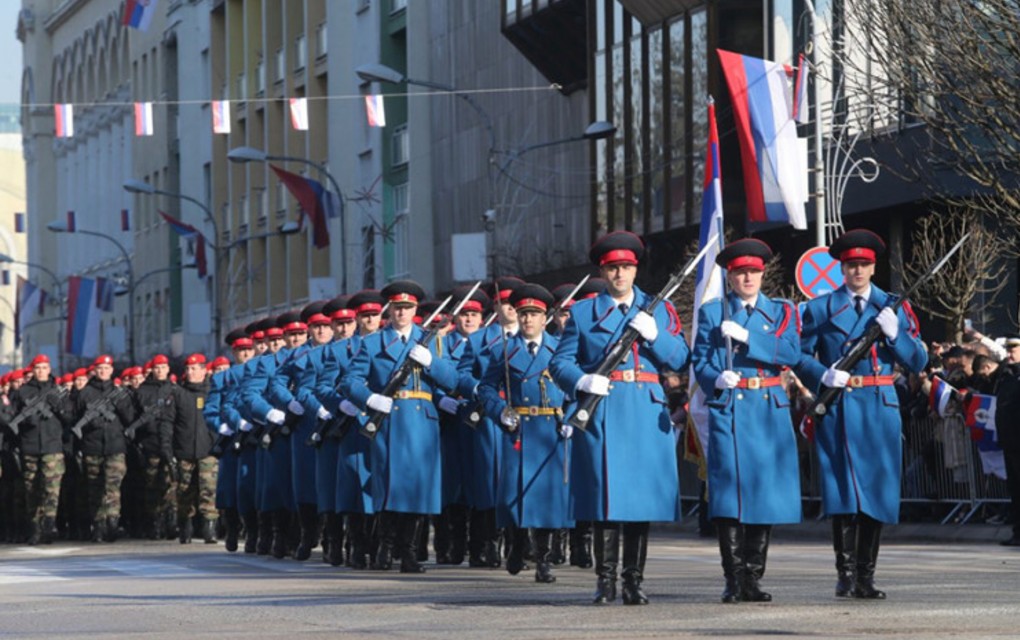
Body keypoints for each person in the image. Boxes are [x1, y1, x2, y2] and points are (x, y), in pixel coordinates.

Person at [550, 230, 689, 605]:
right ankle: (605, 581)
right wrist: (583, 379)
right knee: (605, 501)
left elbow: (679, 359)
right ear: (603, 270)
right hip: (604, 409)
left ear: (635, 269)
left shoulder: (658, 309)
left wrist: (656, 335)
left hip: (645, 408)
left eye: (626, 267)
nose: (620, 274)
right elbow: (559, 362)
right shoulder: (582, 312)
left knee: (639, 503)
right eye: (613, 268)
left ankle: (633, 581)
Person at [797, 229, 927, 599]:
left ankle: (866, 576)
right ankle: (846, 573)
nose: (858, 271)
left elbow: (918, 360)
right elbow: (798, 354)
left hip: (879, 406)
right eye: (852, 265)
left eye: (864, 265)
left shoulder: (893, 306)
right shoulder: (821, 308)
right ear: (841, 267)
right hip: (839, 405)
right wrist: (821, 374)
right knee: (843, 492)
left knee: (876, 491)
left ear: (874, 267)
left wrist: (896, 334)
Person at [692, 239, 802, 603]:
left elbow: (791, 353)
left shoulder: (782, 310)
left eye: (753, 271)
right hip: (731, 408)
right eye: (740, 272)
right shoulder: (712, 312)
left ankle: (753, 577)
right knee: (728, 493)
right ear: (730, 276)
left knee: (764, 493)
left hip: (768, 406)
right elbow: (701, 360)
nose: (748, 277)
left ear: (762, 273)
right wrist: (715, 380)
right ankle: (733, 577)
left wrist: (748, 337)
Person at [339, 280, 459, 573]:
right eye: (397, 308)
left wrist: (431, 362)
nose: (402, 313)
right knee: (389, 487)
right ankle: (384, 548)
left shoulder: (433, 342)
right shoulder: (372, 343)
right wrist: (371, 399)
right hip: (389, 419)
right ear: (388, 310)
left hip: (422, 422)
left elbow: (452, 381)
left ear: (415, 309)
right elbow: (349, 382)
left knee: (418, 490)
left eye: (407, 308)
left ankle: (408, 553)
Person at [479, 283, 572, 584]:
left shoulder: (559, 349)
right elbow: (486, 388)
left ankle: (543, 559)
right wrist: (499, 411)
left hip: (550, 430)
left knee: (546, 497)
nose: (528, 320)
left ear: (545, 318)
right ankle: (517, 543)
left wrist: (570, 416)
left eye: (534, 314)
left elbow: (574, 387)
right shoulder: (504, 350)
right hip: (518, 428)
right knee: (513, 495)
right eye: (523, 314)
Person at [70, 354, 138, 542]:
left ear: (111, 370)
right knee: (95, 488)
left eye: (106, 368)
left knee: (113, 487)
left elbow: (129, 419)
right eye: (100, 368)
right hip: (92, 447)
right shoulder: (85, 393)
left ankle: (113, 524)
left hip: (115, 446)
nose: (103, 371)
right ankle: (98, 526)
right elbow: (75, 419)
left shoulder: (119, 392)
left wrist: (120, 405)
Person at [10, 355, 66, 545]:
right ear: (33, 370)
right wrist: (26, 420)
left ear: (49, 369)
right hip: (30, 445)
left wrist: (57, 405)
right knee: (31, 488)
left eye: (44, 367)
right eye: (38, 367)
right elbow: (13, 417)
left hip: (52, 445)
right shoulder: (23, 392)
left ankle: (49, 526)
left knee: (51, 489)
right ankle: (35, 528)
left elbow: (69, 416)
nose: (41, 371)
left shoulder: (57, 390)